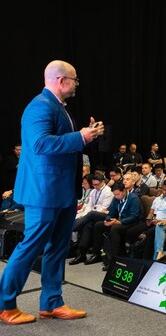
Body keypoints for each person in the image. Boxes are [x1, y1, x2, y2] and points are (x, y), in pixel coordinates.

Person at [0, 61, 104, 325]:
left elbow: (58, 143)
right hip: (44, 192)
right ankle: (5, 304)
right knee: (31, 246)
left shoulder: (58, 107)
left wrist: (85, 135)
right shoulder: (39, 106)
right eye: (75, 79)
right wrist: (80, 137)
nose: (77, 84)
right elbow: (39, 144)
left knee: (57, 247)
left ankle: (52, 302)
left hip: (61, 191)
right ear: (61, 80)